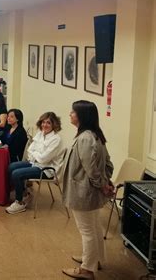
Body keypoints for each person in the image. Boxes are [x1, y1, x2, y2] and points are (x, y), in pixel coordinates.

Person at [61, 101, 114, 280]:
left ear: (82, 116)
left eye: (73, 112)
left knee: (87, 231)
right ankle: (94, 259)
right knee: (94, 226)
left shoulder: (85, 138)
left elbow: (90, 168)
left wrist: (103, 184)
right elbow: (108, 163)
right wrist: (106, 182)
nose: (70, 114)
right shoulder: (95, 135)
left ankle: (87, 269)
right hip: (92, 190)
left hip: (83, 191)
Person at [5, 112, 64, 214]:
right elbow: (30, 150)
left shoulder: (56, 139)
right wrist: (37, 154)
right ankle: (24, 193)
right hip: (35, 163)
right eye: (43, 122)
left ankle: (19, 203)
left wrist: (35, 154)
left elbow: (44, 159)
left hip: (47, 169)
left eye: (48, 123)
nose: (45, 125)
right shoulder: (40, 133)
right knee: (11, 166)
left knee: (16, 174)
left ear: (54, 124)